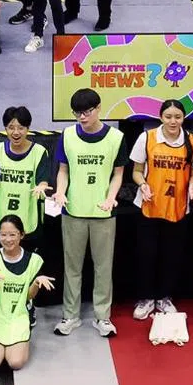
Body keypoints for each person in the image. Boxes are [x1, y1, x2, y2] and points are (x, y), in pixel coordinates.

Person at [53, 88, 127, 338]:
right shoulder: (68, 135)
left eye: (86, 112)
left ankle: (102, 317)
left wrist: (110, 198)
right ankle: (70, 315)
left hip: (103, 213)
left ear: (98, 109)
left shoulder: (116, 138)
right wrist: (61, 192)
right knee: (72, 266)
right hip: (73, 210)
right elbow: (63, 170)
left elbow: (118, 174)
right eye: (77, 113)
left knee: (103, 267)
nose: (81, 117)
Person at [129, 99, 193, 319]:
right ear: (161, 117)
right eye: (168, 117)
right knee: (146, 255)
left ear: (183, 118)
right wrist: (143, 184)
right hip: (149, 206)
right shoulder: (147, 138)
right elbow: (136, 171)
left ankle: (165, 298)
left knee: (172, 256)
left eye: (177, 117)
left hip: (178, 207)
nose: (173, 121)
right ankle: (146, 299)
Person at [0, 215, 53, 370]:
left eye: (12, 234)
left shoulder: (34, 260)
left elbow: (29, 296)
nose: (8, 239)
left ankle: (21, 337)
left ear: (22, 235)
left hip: (18, 316)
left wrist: (36, 283)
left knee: (15, 363)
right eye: (3, 235)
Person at [0, 106, 52, 251]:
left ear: (28, 128)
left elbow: (43, 181)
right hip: (2, 216)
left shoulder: (39, 152)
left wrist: (42, 186)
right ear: (5, 129)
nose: (16, 132)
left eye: (21, 127)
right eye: (11, 127)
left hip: (29, 219)